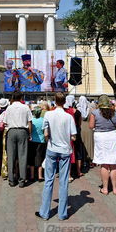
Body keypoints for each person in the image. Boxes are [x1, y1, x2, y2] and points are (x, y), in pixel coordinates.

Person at [36, 92, 76, 221]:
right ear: (64, 102)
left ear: (54, 101)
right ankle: (62, 213)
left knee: (48, 180)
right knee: (64, 181)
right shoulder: (69, 117)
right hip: (65, 150)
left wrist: (50, 139)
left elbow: (46, 132)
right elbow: (73, 136)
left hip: (52, 148)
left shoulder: (48, 114)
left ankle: (45, 212)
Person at [89, 94, 116, 195]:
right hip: (112, 136)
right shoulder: (115, 112)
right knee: (113, 163)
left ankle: (105, 188)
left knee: (104, 163)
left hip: (100, 136)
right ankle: (115, 188)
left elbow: (91, 126)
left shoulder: (94, 112)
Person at [4, 92, 32, 187]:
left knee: (11, 156)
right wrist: (29, 134)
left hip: (11, 131)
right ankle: (22, 180)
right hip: (23, 131)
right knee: (22, 156)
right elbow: (29, 122)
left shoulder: (9, 108)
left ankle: (11, 179)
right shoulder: (25, 107)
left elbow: (5, 122)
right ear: (21, 98)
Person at [28, 106, 46, 182]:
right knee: (40, 157)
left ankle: (32, 176)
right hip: (41, 141)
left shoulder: (31, 120)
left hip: (32, 140)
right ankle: (40, 175)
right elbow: (44, 131)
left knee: (32, 157)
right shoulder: (43, 120)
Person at [77, 95, 94, 168]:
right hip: (89, 128)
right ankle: (90, 160)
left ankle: (83, 160)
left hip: (81, 128)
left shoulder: (78, 110)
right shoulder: (90, 109)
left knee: (82, 144)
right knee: (89, 143)